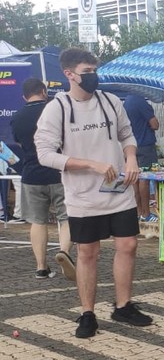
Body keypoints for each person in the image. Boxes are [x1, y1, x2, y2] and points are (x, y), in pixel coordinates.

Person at [35, 48, 154, 338]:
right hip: (83, 197)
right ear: (69, 74)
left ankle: (123, 305)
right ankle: (87, 313)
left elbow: (127, 135)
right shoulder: (57, 108)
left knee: (128, 246)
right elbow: (45, 154)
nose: (93, 77)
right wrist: (88, 163)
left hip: (118, 190)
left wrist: (130, 157)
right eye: (87, 72)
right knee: (88, 253)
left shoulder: (111, 102)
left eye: (94, 70)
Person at [10, 78, 75, 281]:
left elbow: (20, 144)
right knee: (67, 218)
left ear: (24, 96)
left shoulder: (17, 118)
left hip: (31, 175)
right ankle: (64, 252)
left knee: (37, 222)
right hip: (59, 172)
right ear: (44, 91)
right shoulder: (55, 110)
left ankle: (41, 268)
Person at [122, 93, 160, 221]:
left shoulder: (126, 101)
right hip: (145, 146)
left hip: (131, 146)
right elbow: (155, 124)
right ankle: (146, 213)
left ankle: (138, 212)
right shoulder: (140, 101)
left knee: (135, 179)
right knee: (145, 177)